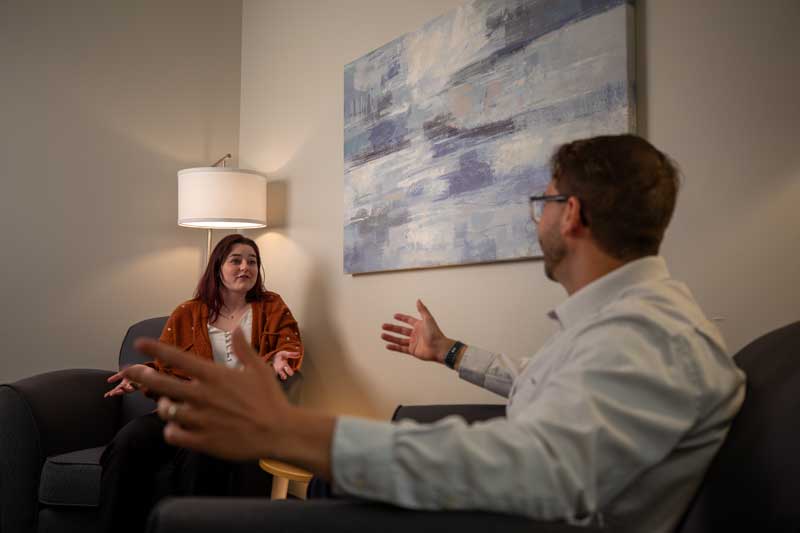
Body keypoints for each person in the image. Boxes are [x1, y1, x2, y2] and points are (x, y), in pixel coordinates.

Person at [123, 135, 745, 532]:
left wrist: (298, 430)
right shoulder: (622, 322)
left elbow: (542, 472)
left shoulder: (653, 336)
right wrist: (450, 352)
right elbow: (545, 383)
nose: (541, 219)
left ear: (572, 215)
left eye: (545, 203)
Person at [101, 233, 304, 533]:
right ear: (218, 266)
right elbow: (166, 366)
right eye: (235, 260)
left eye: (252, 261)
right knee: (126, 441)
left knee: (199, 454)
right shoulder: (187, 312)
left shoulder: (271, 307)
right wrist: (143, 375)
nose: (245, 267)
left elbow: (289, 346)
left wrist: (275, 360)